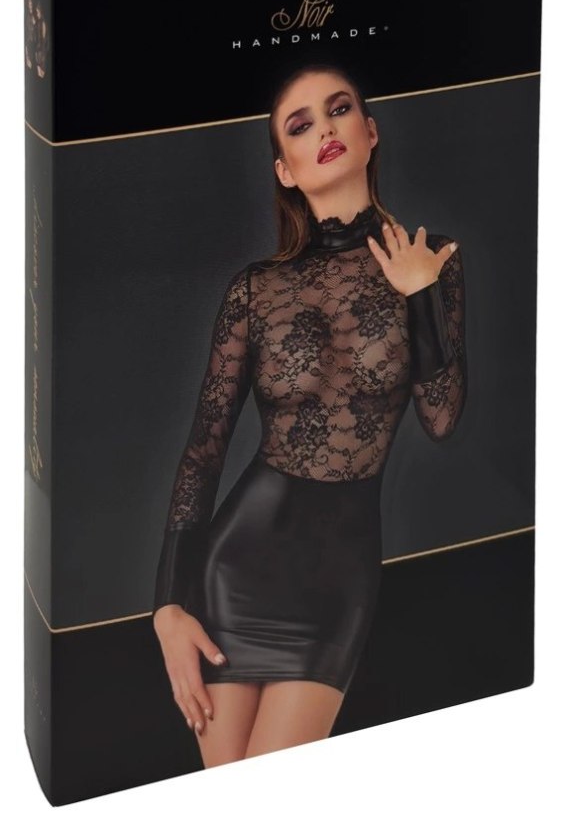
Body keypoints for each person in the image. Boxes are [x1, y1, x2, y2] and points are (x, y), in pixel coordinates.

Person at [152, 62, 467, 768]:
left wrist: (419, 294)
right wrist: (168, 604)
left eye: (339, 109)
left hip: (339, 574)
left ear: (371, 131)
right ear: (285, 170)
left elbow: (443, 419)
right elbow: (204, 449)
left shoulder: (434, 263)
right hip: (236, 564)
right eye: (300, 125)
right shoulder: (255, 290)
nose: (324, 127)